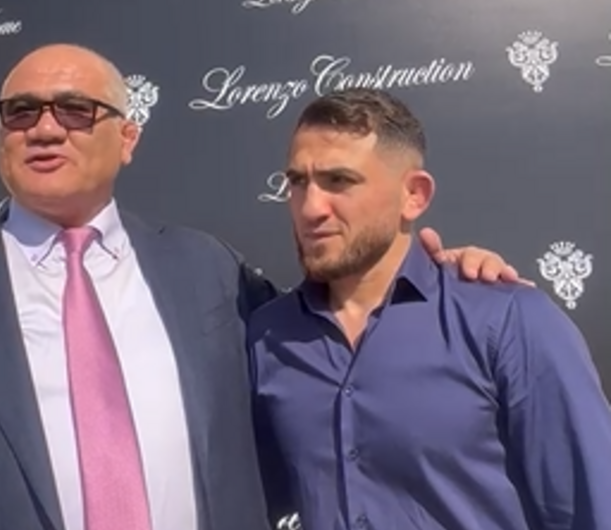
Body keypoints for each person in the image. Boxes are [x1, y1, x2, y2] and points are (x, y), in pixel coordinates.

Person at [0, 45, 525, 530]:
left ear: (128, 138)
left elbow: (333, 352)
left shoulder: (210, 272)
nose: (45, 128)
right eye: (21, 112)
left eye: (76, 110)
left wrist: (430, 270)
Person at [248, 87, 611, 530]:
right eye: (297, 182)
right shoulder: (266, 338)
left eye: (339, 181)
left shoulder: (506, 321)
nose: (310, 208)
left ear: (414, 195)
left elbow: (591, 506)